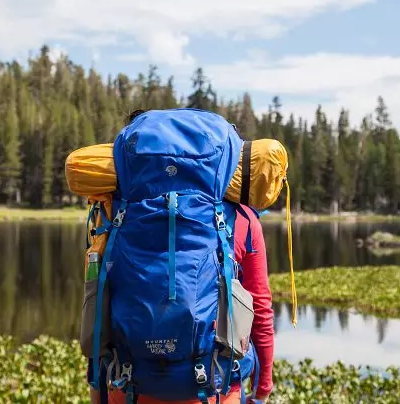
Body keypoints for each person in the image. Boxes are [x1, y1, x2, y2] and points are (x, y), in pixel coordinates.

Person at [87, 110, 275, 403]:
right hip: (216, 389)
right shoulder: (242, 219)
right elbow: (260, 309)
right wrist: (262, 389)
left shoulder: (115, 214)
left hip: (130, 387)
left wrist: (98, 392)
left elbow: (99, 302)